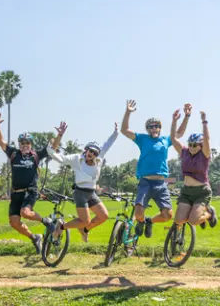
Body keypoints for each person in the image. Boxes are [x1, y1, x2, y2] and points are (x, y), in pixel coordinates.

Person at [121, 100, 190, 238]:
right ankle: (141, 221)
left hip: (160, 183)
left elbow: (180, 133)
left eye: (157, 126)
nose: (154, 128)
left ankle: (149, 221)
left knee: (167, 215)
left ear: (159, 128)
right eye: (151, 126)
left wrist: (186, 116)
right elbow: (124, 130)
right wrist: (128, 112)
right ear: (147, 129)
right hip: (145, 182)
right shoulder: (142, 139)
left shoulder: (166, 140)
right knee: (138, 213)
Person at [0, 112, 56, 253]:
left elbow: (52, 148)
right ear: (19, 144)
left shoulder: (36, 155)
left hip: (30, 191)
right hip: (16, 193)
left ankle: (45, 221)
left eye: (27, 143)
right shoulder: (13, 154)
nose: (25, 145)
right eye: (22, 143)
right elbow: (0, 140)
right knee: (14, 222)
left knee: (25, 212)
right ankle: (35, 238)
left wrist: (59, 135)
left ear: (31, 144)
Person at [49, 122, 119, 242]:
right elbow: (60, 158)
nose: (92, 154)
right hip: (80, 193)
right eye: (90, 151)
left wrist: (116, 132)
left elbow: (107, 145)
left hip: (91, 193)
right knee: (85, 220)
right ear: (86, 150)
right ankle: (61, 227)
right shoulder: (77, 159)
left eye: (95, 153)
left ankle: (84, 230)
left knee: (103, 216)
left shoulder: (98, 160)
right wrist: (58, 138)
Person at [170, 109, 217, 230]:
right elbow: (173, 139)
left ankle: (209, 213)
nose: (191, 147)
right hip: (186, 191)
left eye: (195, 145)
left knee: (193, 221)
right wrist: (174, 121)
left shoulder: (204, 155)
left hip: (201, 192)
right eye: (190, 144)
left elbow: (207, 140)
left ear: (201, 145)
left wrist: (204, 122)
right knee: (178, 220)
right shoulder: (184, 152)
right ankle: (196, 215)